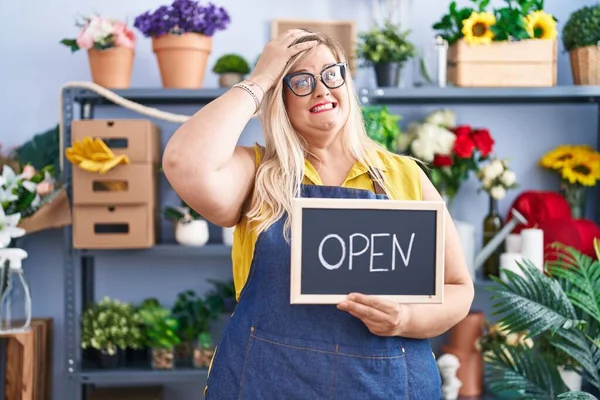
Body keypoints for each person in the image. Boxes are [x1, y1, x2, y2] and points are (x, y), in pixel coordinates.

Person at [163, 29, 474, 399]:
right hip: (268, 386)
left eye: (331, 73)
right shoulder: (257, 173)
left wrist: (405, 319)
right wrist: (260, 79)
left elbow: (458, 288)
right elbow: (185, 162)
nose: (322, 89)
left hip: (383, 387)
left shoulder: (404, 176)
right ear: (279, 97)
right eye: (301, 80)